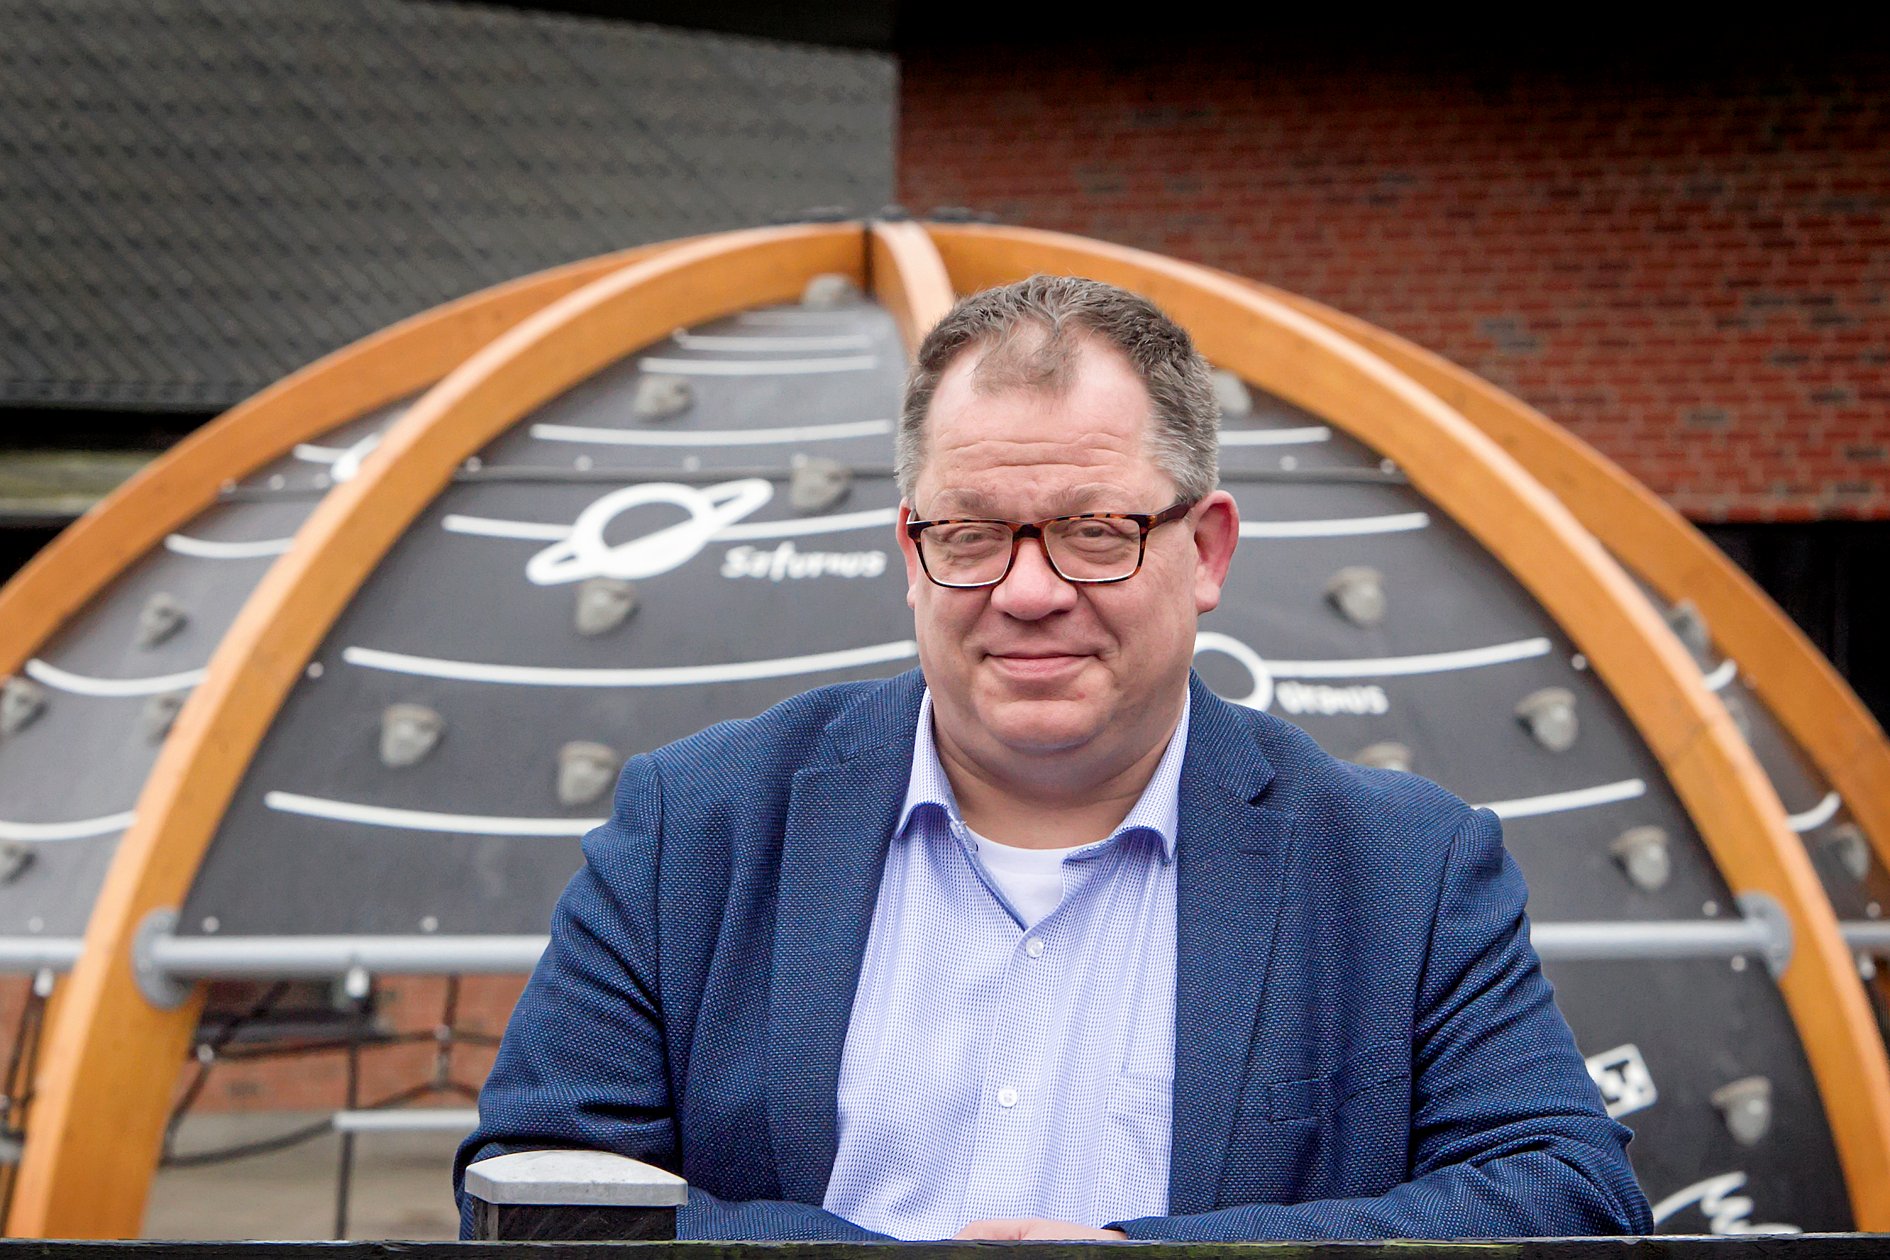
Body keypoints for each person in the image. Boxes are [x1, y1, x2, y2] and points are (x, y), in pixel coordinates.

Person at [455, 276, 1652, 1241]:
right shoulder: (697, 827)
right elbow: (536, 1188)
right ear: (911, 552)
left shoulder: (1403, 869)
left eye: (1096, 532)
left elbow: (1565, 1195)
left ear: (1210, 549)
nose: (1029, 593)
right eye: (973, 534)